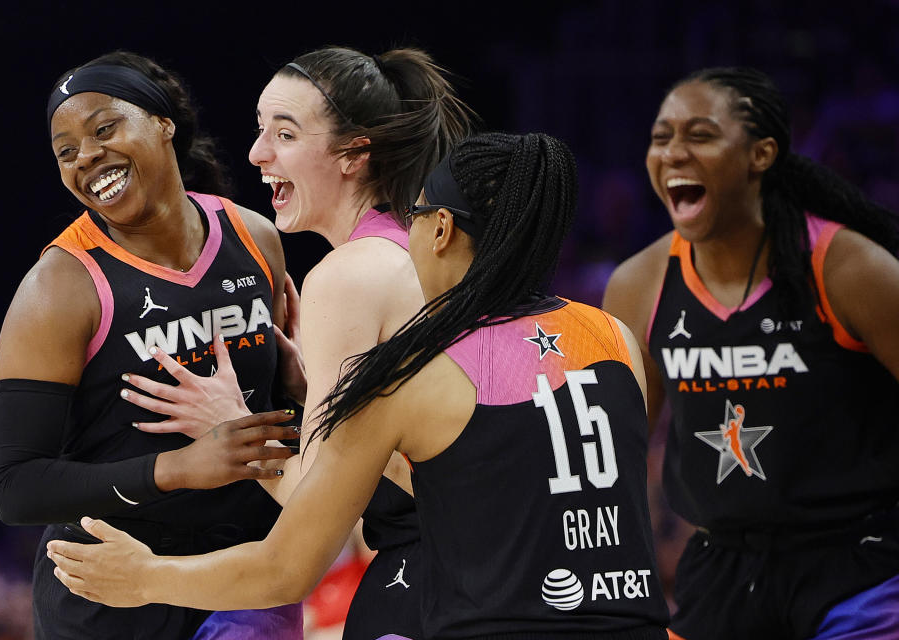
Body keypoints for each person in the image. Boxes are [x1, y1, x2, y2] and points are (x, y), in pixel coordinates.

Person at [47, 131, 671, 640]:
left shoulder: (410, 373)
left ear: (441, 230)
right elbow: (507, 473)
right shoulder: (619, 341)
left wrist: (146, 578)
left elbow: (287, 569)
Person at [112, 45, 473, 639]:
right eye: (260, 130)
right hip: (481, 564)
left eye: (284, 133)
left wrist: (229, 423)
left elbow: (321, 509)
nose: (257, 153)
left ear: (355, 153)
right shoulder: (407, 246)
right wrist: (315, 392)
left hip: (444, 576)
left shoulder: (348, 274)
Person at [0, 51, 304, 639]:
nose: (86, 156)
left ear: (163, 123)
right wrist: (179, 468)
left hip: (243, 578)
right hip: (107, 592)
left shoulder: (255, 236)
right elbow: (16, 487)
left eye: (104, 128)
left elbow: (283, 407)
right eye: (66, 151)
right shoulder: (59, 287)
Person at [602, 67, 899, 639]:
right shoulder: (639, 285)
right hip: (721, 574)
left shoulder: (847, 268)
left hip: (857, 569)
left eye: (700, 135)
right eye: (661, 138)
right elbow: (617, 455)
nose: (673, 153)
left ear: (761, 154)